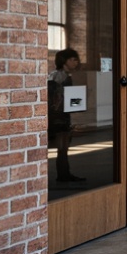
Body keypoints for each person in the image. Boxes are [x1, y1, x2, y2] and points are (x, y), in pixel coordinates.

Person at [48, 48, 85, 184]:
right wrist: (79, 101)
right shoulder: (58, 76)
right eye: (73, 59)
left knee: (63, 148)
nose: (76, 62)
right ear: (64, 61)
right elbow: (57, 99)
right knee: (62, 147)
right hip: (57, 118)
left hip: (62, 116)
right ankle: (63, 175)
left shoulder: (63, 76)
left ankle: (65, 174)